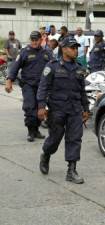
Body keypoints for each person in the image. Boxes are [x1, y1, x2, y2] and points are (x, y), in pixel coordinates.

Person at [37, 36, 90, 184]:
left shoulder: (79, 68)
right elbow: (43, 87)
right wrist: (41, 106)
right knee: (54, 139)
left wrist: (85, 108)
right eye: (72, 47)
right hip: (57, 110)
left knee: (74, 139)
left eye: (76, 47)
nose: (75, 50)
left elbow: (82, 91)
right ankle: (46, 154)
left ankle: (71, 170)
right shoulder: (52, 66)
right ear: (64, 48)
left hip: (74, 110)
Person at [5, 31, 52, 142]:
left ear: (41, 40)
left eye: (37, 40)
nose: (34, 42)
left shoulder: (47, 52)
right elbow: (15, 67)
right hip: (28, 85)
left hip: (42, 87)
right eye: (33, 40)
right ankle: (31, 131)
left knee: (40, 108)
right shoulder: (24, 52)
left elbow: (54, 67)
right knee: (30, 108)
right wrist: (9, 80)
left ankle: (36, 130)